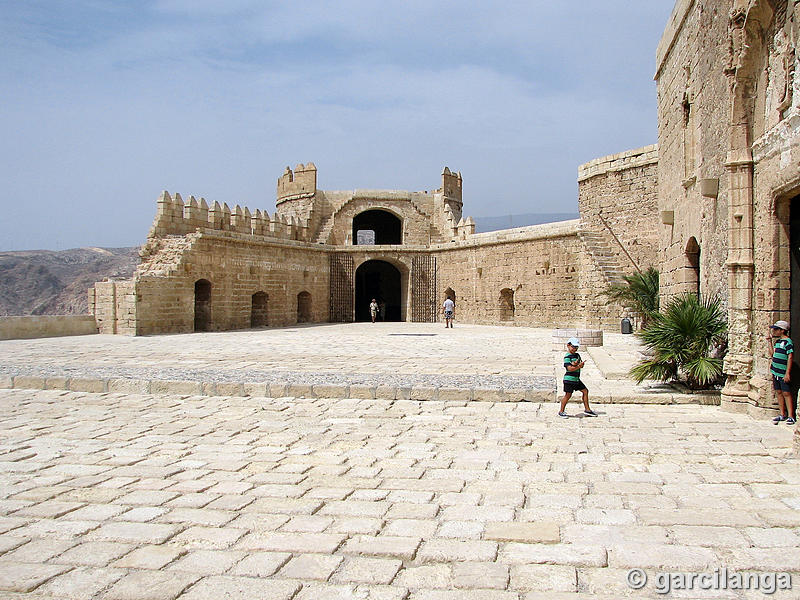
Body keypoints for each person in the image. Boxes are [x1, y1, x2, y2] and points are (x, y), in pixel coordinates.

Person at [559, 337, 597, 418]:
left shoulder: (577, 355)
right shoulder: (567, 357)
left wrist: (580, 365)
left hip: (576, 379)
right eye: (573, 347)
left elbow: (576, 364)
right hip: (569, 380)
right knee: (568, 395)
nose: (575, 349)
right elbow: (569, 368)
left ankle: (587, 409)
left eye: (576, 347)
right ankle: (561, 411)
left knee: (585, 391)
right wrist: (578, 366)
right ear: (568, 345)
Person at [767, 320, 795, 424]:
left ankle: (791, 415)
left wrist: (787, 373)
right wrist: (769, 341)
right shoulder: (778, 342)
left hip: (783, 373)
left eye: (775, 329)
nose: (773, 331)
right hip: (776, 371)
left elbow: (790, 357)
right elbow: (772, 355)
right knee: (778, 392)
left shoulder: (788, 342)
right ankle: (782, 413)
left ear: (782, 330)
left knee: (786, 393)